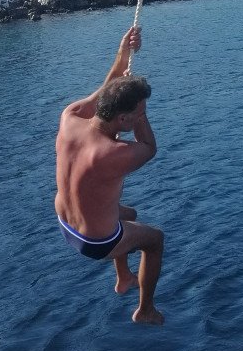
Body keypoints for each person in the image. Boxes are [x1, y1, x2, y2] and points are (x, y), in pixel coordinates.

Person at [54, 25, 165, 325]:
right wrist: (141, 117)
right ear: (124, 118)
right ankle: (145, 310)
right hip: (95, 243)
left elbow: (105, 92)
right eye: (139, 113)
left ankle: (124, 276)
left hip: (65, 221)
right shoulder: (111, 155)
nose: (142, 115)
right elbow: (149, 147)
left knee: (130, 214)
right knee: (155, 239)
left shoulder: (70, 117)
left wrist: (123, 53)